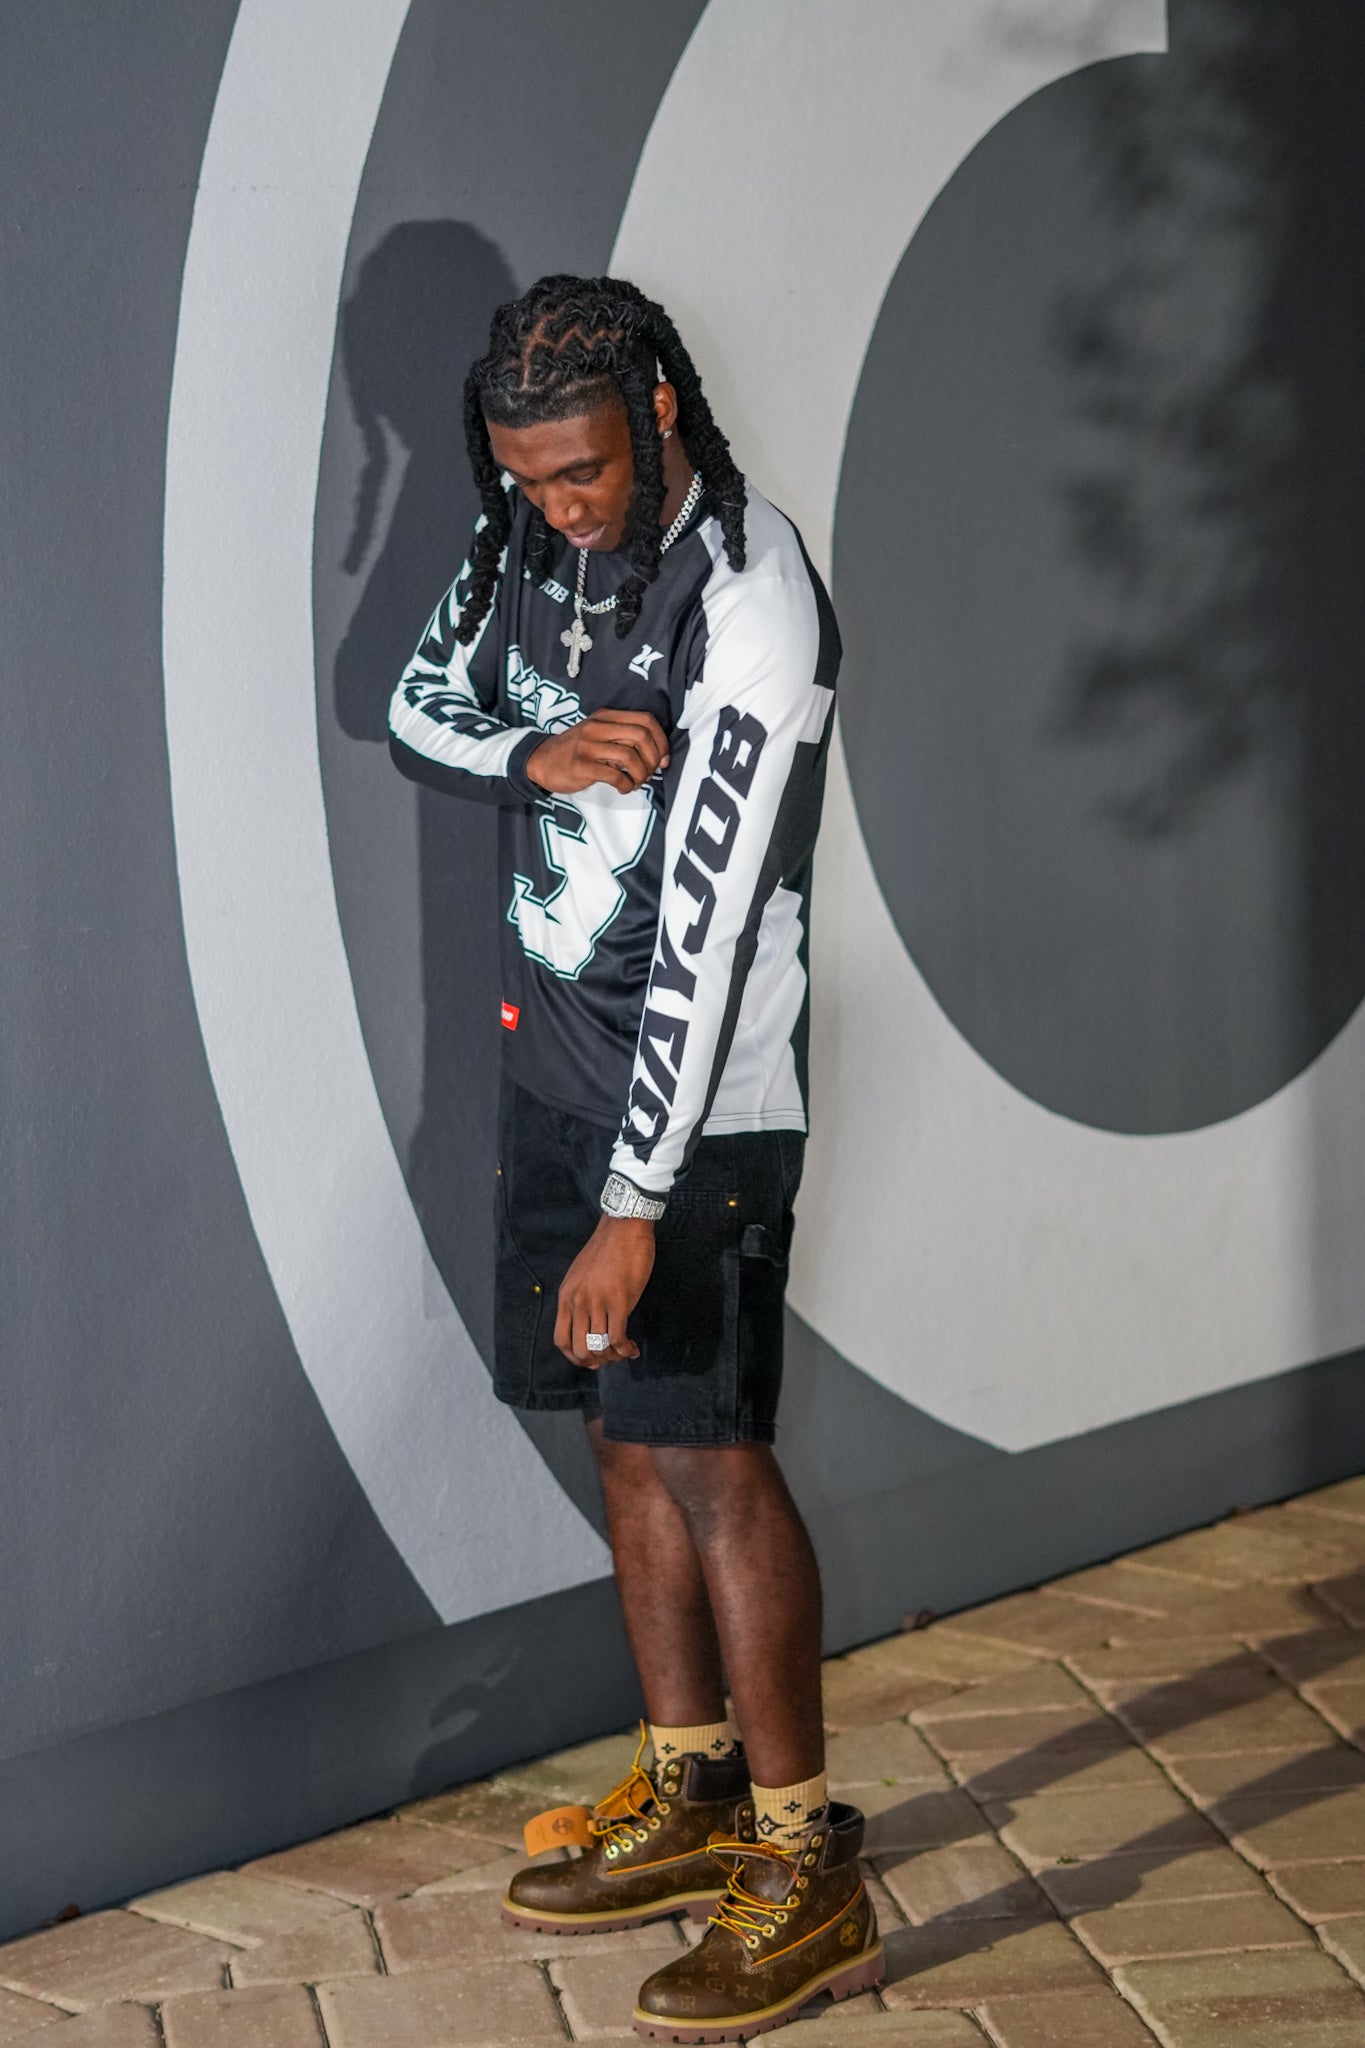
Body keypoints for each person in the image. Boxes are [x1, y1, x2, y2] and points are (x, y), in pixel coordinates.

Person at [388, 274, 882, 2039]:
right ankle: (687, 1785)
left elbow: (714, 930)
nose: (559, 505)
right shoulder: (520, 527)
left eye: (583, 470)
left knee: (711, 1459)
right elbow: (415, 705)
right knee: (622, 1438)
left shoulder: (752, 595)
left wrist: (631, 1202)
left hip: (696, 1112)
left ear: (658, 412)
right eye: (527, 475)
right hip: (555, 1074)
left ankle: (803, 1856)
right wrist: (527, 748)